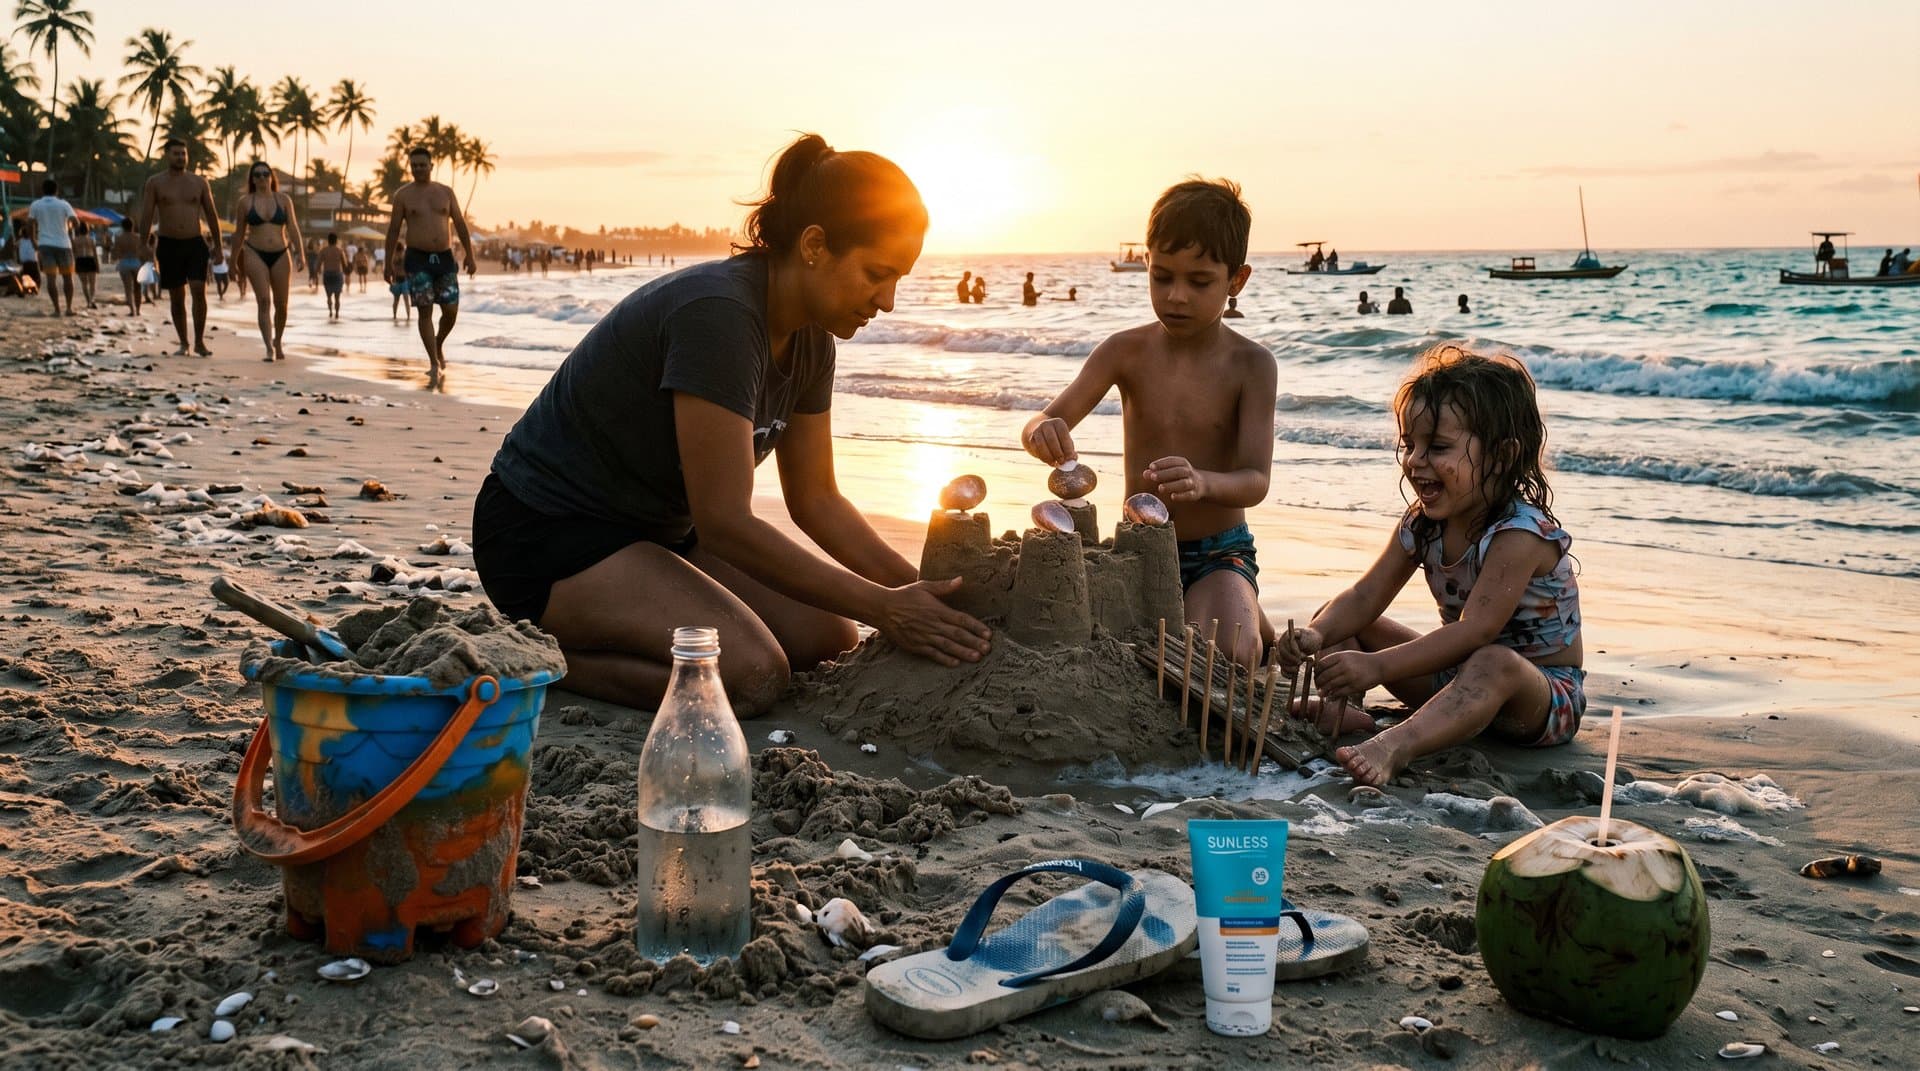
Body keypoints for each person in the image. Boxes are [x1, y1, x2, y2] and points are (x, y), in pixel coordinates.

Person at [470, 133, 991, 715]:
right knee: (751, 677)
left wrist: (920, 593)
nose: (888, 300)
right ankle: (542, 660)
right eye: (876, 273)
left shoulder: (814, 337)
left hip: (656, 533)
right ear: (815, 244)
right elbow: (724, 523)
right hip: (546, 534)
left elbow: (816, 499)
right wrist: (883, 607)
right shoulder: (720, 316)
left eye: (899, 279)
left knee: (828, 641)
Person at [1277, 344, 1583, 787]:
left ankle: (1395, 745)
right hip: (1456, 684)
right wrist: (1315, 635)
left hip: (1538, 698)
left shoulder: (1520, 534)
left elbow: (1474, 631)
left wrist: (1377, 667)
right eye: (1409, 444)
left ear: (1501, 455)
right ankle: (1351, 714)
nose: (1416, 461)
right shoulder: (1423, 524)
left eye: (1437, 446)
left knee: (1494, 660)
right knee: (1345, 618)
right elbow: (1365, 596)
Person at [1022, 178, 1274, 670]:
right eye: (1162, 277)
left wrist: (1202, 482)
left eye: (1199, 282)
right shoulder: (1124, 351)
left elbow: (1255, 481)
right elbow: (1045, 419)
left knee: (1225, 655)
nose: (1176, 296)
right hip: (1136, 550)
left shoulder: (1252, 365)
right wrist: (1040, 432)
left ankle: (1243, 606)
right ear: (1146, 265)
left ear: (1236, 280)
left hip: (1217, 553)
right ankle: (1238, 609)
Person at [383, 145, 476, 383]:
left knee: (451, 310)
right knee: (425, 311)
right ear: (410, 167)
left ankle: (438, 342)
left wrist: (470, 255)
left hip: (444, 258)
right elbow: (393, 231)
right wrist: (388, 263)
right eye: (414, 165)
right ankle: (434, 362)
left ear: (431, 166)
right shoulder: (403, 195)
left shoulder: (445, 192)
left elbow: (460, 224)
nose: (418, 169)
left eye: (423, 165)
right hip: (417, 259)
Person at [135, 138, 225, 356]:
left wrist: (219, 246)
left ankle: (200, 342)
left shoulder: (199, 182)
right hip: (168, 243)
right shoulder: (155, 183)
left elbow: (212, 215)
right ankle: (184, 342)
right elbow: (147, 215)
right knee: (177, 296)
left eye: (184, 154)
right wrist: (143, 244)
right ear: (167, 155)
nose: (181, 157)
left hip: (195, 242)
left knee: (198, 290)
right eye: (176, 153)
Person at [229, 162, 303, 362]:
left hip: (281, 253)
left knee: (282, 304)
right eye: (257, 175)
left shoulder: (284, 200)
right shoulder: (245, 202)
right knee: (264, 301)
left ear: (272, 177)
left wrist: (301, 254)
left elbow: (293, 228)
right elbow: (238, 234)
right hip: (254, 253)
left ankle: (278, 340)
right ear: (252, 179)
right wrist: (232, 262)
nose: (262, 178)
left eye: (265, 174)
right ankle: (269, 347)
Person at [25, 179, 80, 317]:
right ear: (57, 190)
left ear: (42, 190)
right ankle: (68, 308)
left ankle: (56, 309)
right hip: (63, 244)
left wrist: (33, 240)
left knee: (51, 279)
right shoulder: (64, 204)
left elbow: (29, 224)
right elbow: (76, 222)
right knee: (68, 278)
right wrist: (69, 227)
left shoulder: (36, 205)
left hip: (45, 244)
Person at [110, 220, 145, 315]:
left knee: (128, 288)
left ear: (122, 227)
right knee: (138, 288)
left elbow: (115, 254)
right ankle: (138, 310)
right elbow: (142, 252)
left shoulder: (119, 238)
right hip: (136, 262)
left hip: (124, 262)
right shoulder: (138, 237)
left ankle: (132, 310)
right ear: (132, 226)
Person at [318, 233, 349, 321]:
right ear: (336, 241)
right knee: (337, 297)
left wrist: (316, 273)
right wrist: (347, 271)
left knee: (328, 296)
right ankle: (337, 314)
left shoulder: (323, 250)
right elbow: (344, 265)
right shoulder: (340, 251)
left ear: (328, 240)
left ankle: (330, 311)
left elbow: (318, 264)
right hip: (337, 274)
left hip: (327, 274)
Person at [74, 225, 101, 309]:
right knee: (92, 283)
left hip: (80, 260)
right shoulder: (91, 240)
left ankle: (88, 301)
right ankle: (92, 299)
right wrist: (97, 265)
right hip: (90, 259)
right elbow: (95, 254)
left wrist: (75, 265)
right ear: (87, 230)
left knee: (84, 283)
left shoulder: (75, 240)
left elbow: (73, 253)